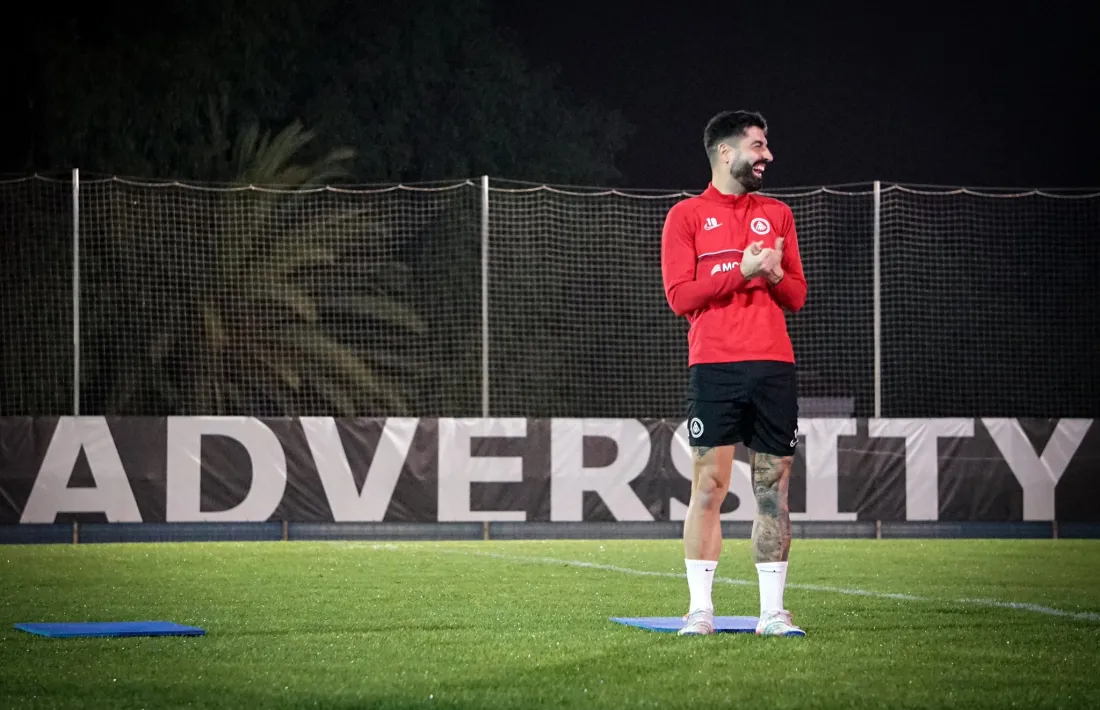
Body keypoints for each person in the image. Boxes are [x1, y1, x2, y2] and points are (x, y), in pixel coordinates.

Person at [660, 110, 808, 637]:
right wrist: (741, 273)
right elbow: (680, 297)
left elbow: (797, 295)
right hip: (714, 365)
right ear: (726, 152)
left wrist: (773, 273)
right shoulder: (686, 215)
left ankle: (773, 613)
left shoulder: (778, 214)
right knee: (710, 485)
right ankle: (700, 610)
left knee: (773, 488)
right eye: (758, 145)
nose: (767, 155)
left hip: (773, 365)